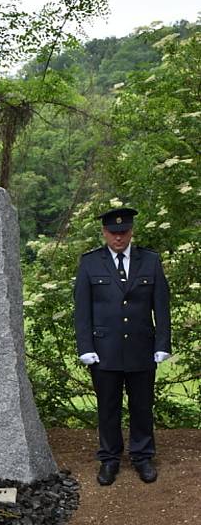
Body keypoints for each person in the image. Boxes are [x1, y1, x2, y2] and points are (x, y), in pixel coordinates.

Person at [74, 207, 171, 486]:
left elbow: (161, 306)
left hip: (142, 346)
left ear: (131, 231)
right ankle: (110, 458)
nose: (119, 237)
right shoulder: (90, 263)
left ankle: (142, 456)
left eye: (124, 232)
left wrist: (163, 342)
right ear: (104, 232)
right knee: (108, 406)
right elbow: (82, 311)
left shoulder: (150, 261)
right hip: (104, 349)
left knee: (142, 406)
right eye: (113, 232)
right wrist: (85, 346)